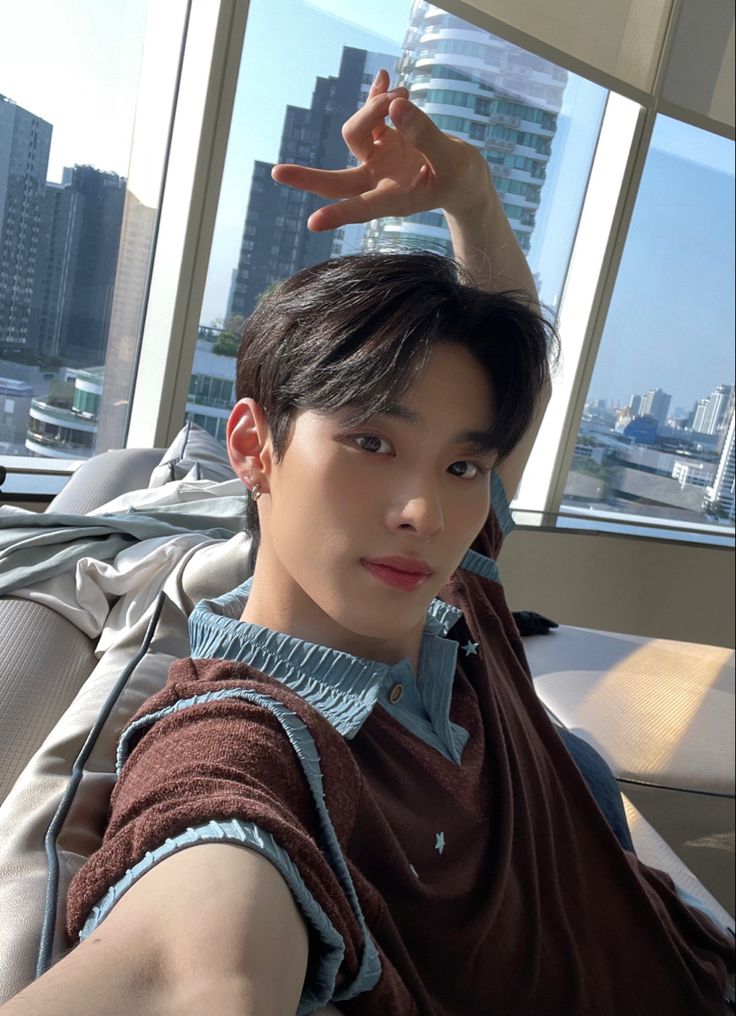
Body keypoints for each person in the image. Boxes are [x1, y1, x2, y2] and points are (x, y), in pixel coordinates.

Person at [2, 73, 733, 1016]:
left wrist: (468, 197)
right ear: (253, 447)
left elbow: (508, 407)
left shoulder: (454, 600)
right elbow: (189, 965)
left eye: (463, 469)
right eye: (373, 444)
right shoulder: (244, 746)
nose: (425, 511)